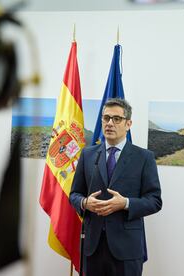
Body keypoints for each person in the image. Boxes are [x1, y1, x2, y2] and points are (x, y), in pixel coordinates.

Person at [69, 98, 162, 276]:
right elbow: (74, 194)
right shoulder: (88, 155)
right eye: (106, 118)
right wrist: (84, 202)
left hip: (127, 249)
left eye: (116, 119)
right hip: (92, 247)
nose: (110, 123)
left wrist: (125, 203)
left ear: (128, 124)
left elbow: (155, 201)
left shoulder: (144, 157)